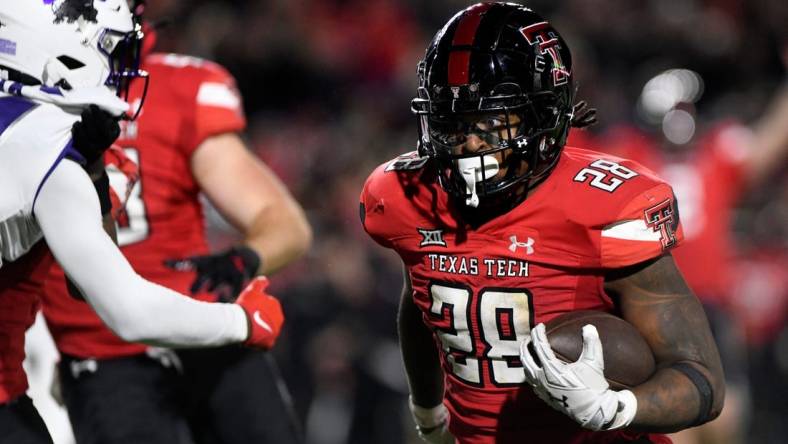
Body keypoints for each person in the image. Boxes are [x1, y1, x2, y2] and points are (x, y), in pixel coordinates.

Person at [359, 3, 724, 443]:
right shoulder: (404, 197)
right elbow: (421, 304)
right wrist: (429, 411)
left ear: (543, 115)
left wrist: (616, 408)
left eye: (492, 121)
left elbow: (701, 378)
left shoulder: (607, 206)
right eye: (453, 123)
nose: (470, 144)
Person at [0, 2, 283, 443]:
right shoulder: (49, 159)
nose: (117, 67)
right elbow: (128, 311)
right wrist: (243, 321)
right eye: (109, 48)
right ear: (60, 49)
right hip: (87, 363)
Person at [601, 71, 788, 444]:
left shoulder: (716, 151)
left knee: (728, 418)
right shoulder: (631, 153)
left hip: (711, 305)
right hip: (654, 303)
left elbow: (769, 143)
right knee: (677, 421)